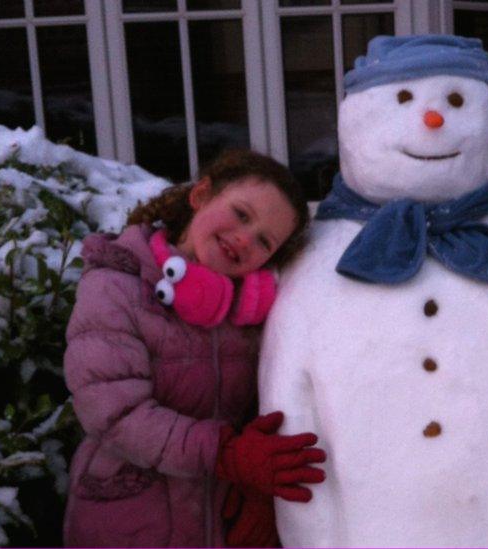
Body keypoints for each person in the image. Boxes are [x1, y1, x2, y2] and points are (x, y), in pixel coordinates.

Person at [62, 150, 324, 547]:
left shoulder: (252, 315)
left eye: (264, 241)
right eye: (241, 214)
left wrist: (256, 492)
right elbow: (114, 413)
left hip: (217, 521)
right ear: (202, 195)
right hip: (130, 522)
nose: (244, 238)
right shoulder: (117, 285)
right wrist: (226, 454)